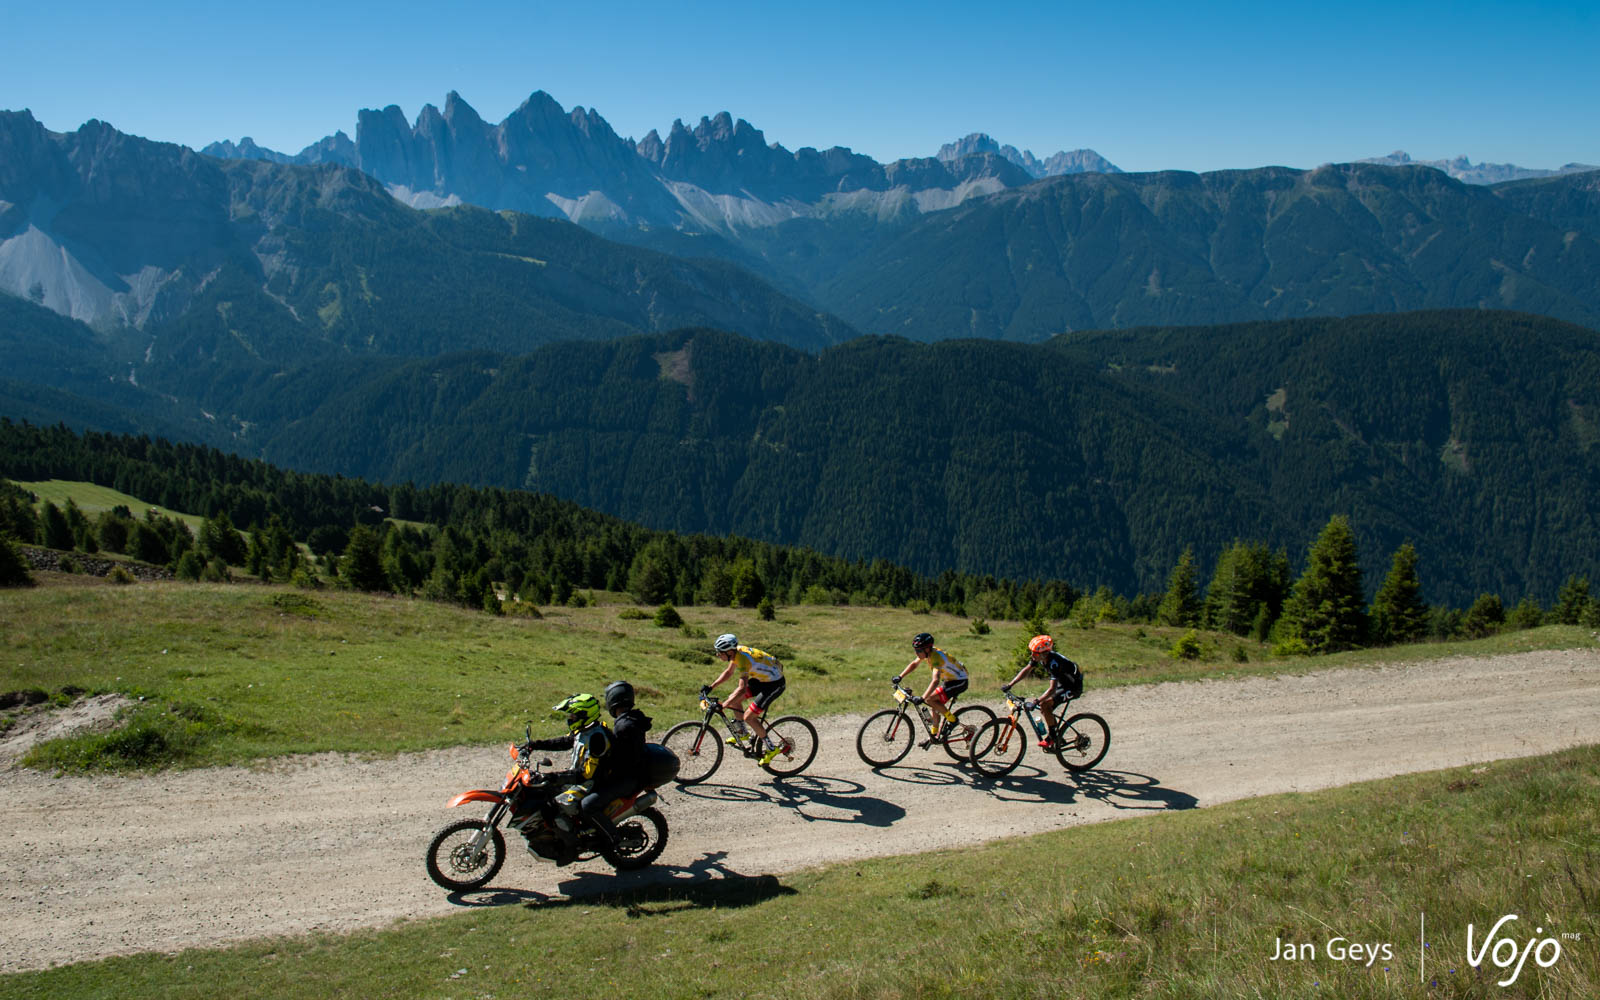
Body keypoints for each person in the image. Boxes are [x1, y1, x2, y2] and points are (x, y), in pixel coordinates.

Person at [523, 690, 646, 857]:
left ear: (584, 715)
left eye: (573, 716)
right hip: (586, 779)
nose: (570, 719)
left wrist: (553, 777)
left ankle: (611, 839)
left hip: (595, 782)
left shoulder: (597, 739)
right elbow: (565, 741)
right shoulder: (584, 730)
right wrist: (534, 745)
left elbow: (586, 774)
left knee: (586, 807)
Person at [704, 632, 788, 765]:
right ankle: (743, 732)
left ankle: (772, 748)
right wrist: (711, 686)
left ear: (729, 652)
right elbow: (728, 672)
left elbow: (742, 689)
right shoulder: (736, 653)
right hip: (762, 679)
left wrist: (724, 705)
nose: (717, 655)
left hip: (774, 683)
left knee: (749, 716)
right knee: (734, 700)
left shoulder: (743, 659)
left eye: (720, 652)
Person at [1002, 634, 1083, 748]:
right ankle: (1057, 736)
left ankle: (1053, 737)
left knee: (1044, 704)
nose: (1031, 655)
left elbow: (1051, 690)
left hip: (1073, 687)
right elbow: (1026, 670)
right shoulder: (1041, 657)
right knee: (1045, 707)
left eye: (1034, 652)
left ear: (1043, 653)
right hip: (1063, 683)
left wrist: (1035, 701)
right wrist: (1010, 684)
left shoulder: (1054, 663)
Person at [891, 632, 968, 738]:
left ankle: (953, 720)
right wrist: (900, 676)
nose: (917, 653)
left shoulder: (936, 658)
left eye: (919, 651)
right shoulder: (928, 653)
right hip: (950, 680)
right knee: (934, 703)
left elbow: (935, 680)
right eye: (915, 650)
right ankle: (934, 734)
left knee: (929, 699)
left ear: (927, 649)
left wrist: (922, 697)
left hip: (960, 681)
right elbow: (914, 664)